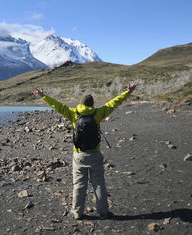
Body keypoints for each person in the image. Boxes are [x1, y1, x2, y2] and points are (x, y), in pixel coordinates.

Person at [31, 81, 138, 220]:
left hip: (79, 155)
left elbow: (57, 105)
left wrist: (42, 95)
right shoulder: (98, 113)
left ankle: (77, 212)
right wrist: (128, 92)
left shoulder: (74, 113)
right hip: (95, 154)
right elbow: (113, 103)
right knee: (99, 184)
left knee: (79, 185)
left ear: (81, 103)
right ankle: (103, 212)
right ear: (92, 104)